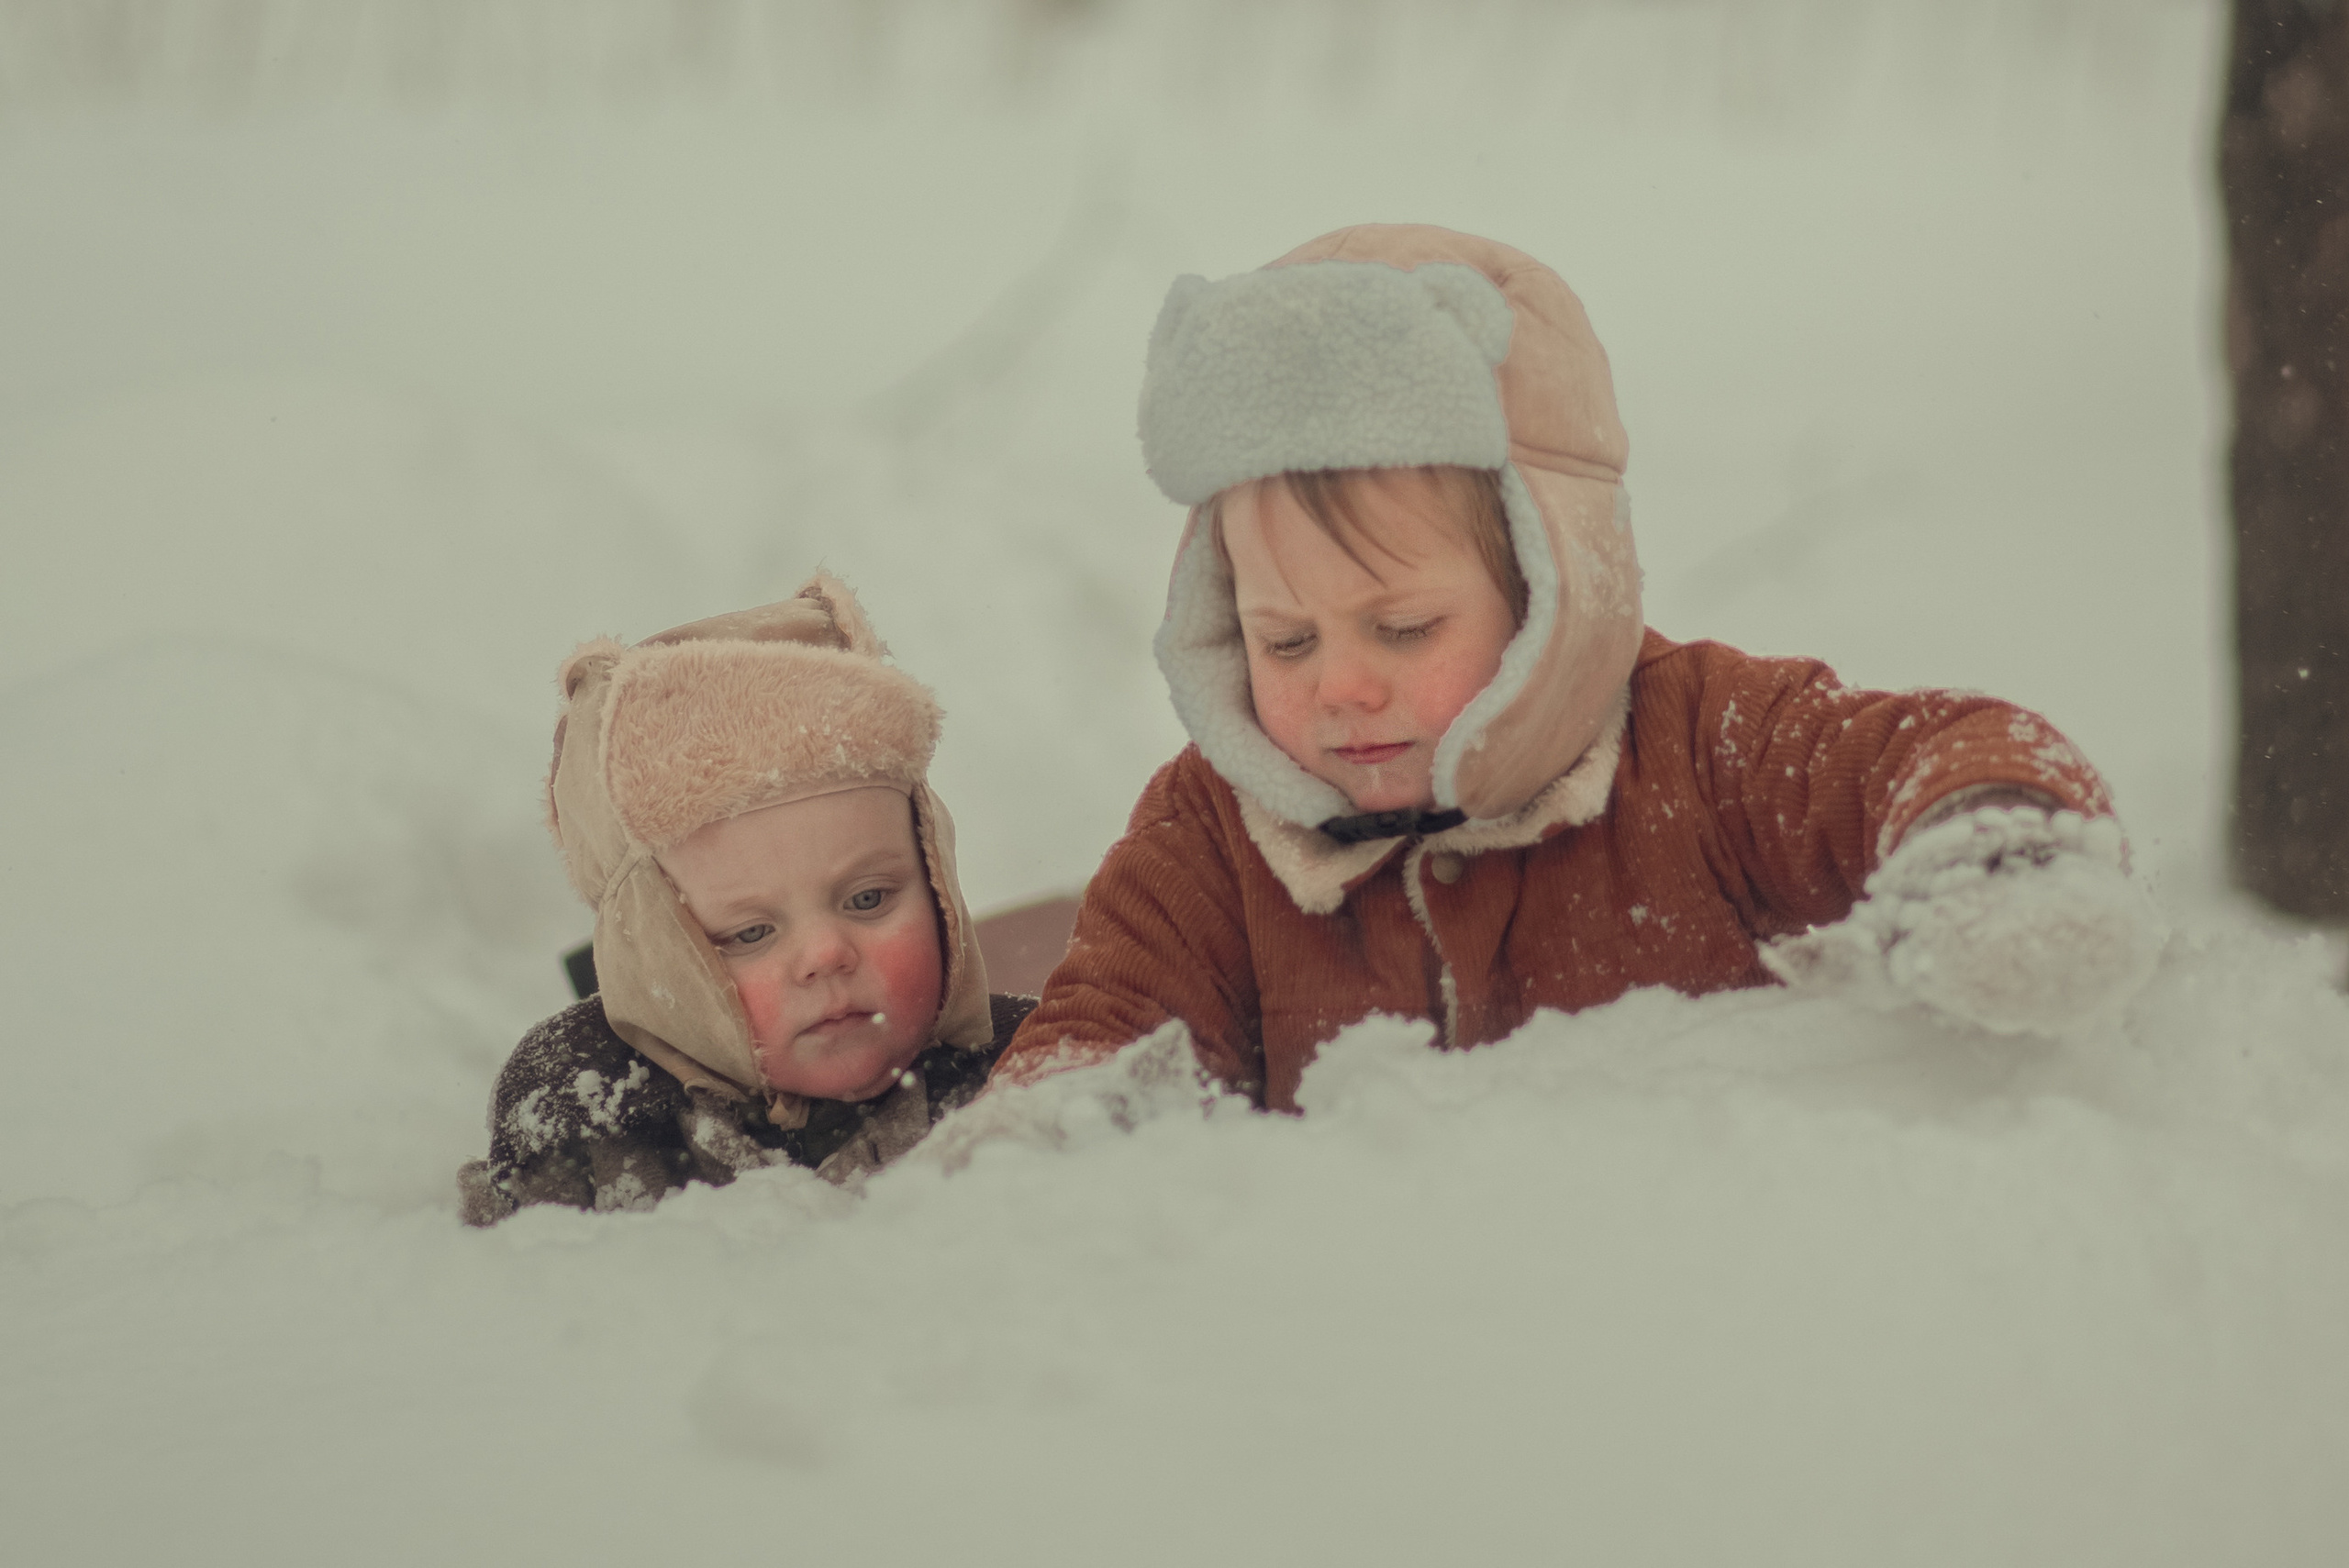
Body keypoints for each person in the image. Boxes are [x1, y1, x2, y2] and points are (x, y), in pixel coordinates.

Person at [987, 223, 2163, 1112]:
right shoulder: (1210, 834)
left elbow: (1922, 749)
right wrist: (1044, 1128)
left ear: (1548, 594)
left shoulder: (1697, 742)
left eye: (1401, 629)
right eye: (1284, 639)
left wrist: (2000, 853)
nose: (1339, 686)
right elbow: (1108, 1018)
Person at [459, 574, 1032, 1224]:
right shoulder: (589, 1112)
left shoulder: (1029, 1070)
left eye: (868, 897)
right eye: (752, 933)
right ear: (658, 962)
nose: (824, 953)